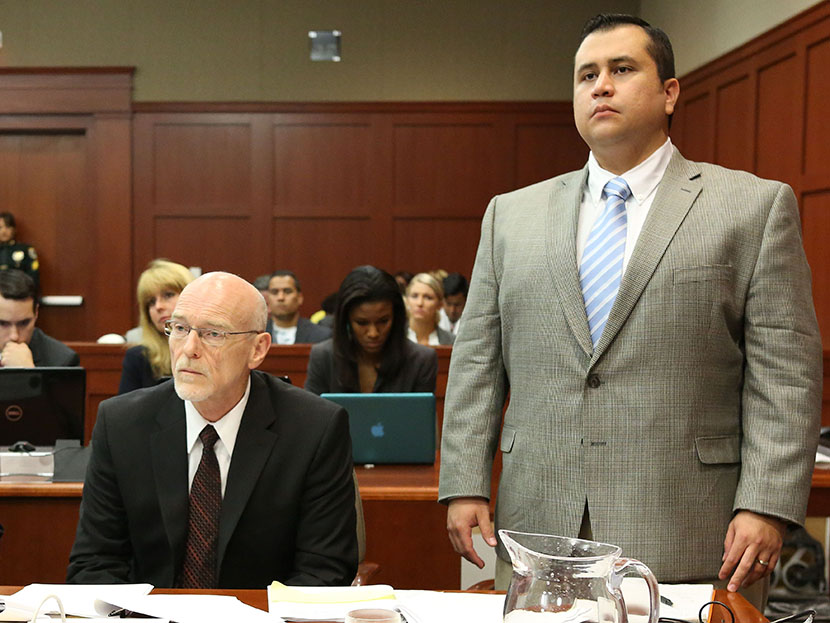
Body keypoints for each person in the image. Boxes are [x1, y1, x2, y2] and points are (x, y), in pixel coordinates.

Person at [438, 13, 822, 607]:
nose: (601, 86)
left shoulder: (751, 207)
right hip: (539, 521)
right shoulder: (510, 215)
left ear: (670, 93)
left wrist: (766, 503)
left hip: (695, 527)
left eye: (622, 69)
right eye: (586, 74)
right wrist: (463, 482)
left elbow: (785, 373)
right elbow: (476, 363)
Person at [67, 272, 357, 588]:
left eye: (213, 334)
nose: (188, 348)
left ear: (257, 349)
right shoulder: (121, 423)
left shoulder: (314, 428)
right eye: (179, 329)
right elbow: (95, 564)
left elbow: (323, 572)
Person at [305, 265, 437, 395]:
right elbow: (311, 414)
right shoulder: (323, 357)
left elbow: (422, 416)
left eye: (383, 321)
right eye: (362, 323)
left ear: (396, 318)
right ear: (346, 320)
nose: (373, 333)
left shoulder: (421, 360)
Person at [118, 259, 194, 394]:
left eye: (168, 295)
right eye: (151, 302)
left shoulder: (211, 349)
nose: (158, 306)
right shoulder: (138, 357)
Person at [0, 270, 78, 368]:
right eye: (2, 323)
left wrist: (28, 373)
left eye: (24, 323)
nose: (14, 336)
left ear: (36, 312)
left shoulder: (62, 361)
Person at [265, 270, 331, 344]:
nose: (281, 297)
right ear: (267, 299)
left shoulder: (322, 335)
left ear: (300, 297)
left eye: (287, 291)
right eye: (274, 292)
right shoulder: (257, 334)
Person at [406, 272, 454, 346]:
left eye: (428, 297)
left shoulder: (452, 341)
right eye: (414, 296)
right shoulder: (392, 338)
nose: (420, 303)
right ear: (407, 301)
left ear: (440, 304)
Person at [0, 212, 39, 291]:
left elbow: (33, 278)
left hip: (19, 296)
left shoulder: (25, 250)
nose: (4, 231)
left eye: (7, 227)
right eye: (0, 228)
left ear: (14, 229)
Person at [438, 272, 468, 336]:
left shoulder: (473, 321)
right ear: (442, 301)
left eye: (457, 305)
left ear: (466, 301)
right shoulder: (433, 320)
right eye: (448, 304)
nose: (452, 310)